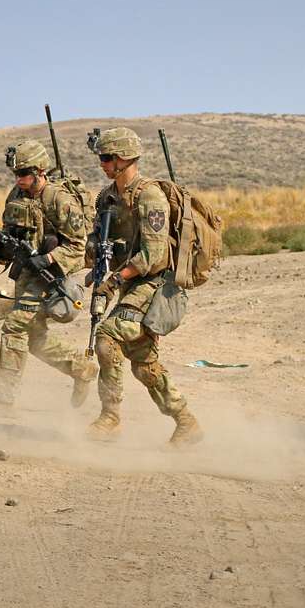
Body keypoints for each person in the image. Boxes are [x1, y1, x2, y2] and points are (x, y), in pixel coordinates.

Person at [84, 127, 203, 446]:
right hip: (127, 282)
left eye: (107, 158)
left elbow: (153, 254)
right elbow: (99, 236)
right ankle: (186, 421)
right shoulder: (106, 197)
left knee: (107, 337)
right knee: (144, 365)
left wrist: (114, 279)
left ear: (124, 159)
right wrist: (96, 259)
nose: (103, 164)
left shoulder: (150, 197)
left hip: (153, 285)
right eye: (101, 157)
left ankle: (110, 417)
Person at [0, 140, 98, 409]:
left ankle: (2, 403)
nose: (19, 179)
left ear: (40, 171)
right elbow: (10, 232)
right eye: (16, 174)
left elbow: (77, 246)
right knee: (34, 339)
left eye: (24, 174)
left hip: (49, 275)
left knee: (14, 326)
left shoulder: (59, 199)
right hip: (25, 273)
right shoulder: (16, 195)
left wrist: (47, 259)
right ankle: (80, 368)